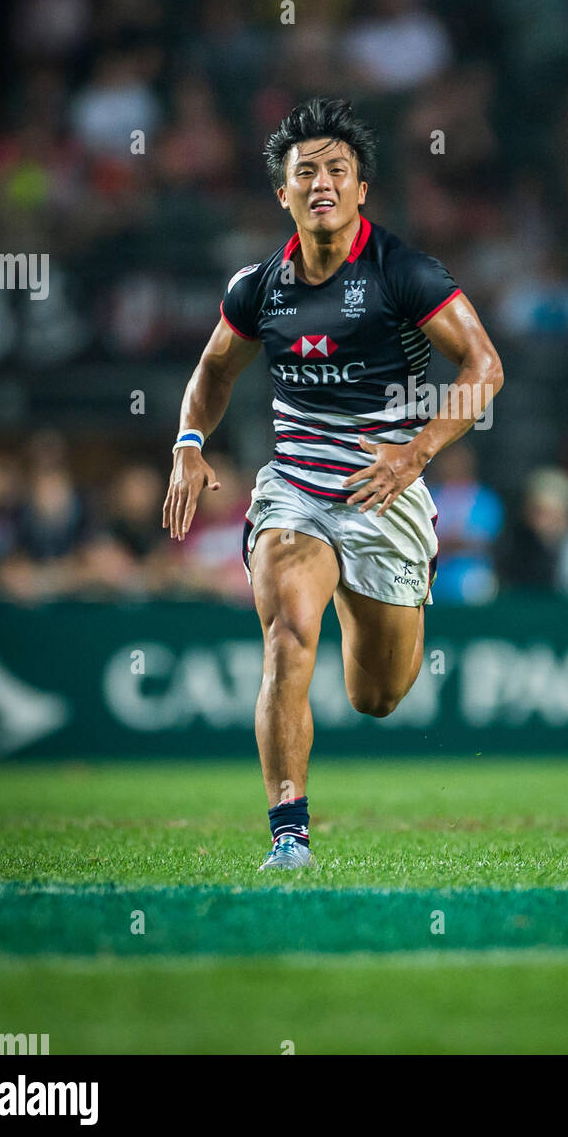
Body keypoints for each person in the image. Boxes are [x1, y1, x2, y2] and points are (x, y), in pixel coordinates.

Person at [162, 97, 503, 870]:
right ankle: (289, 835)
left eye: (337, 170)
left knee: (376, 697)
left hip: (387, 495)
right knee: (287, 634)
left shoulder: (405, 273)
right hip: (295, 492)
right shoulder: (260, 286)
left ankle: (367, 590)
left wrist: (415, 454)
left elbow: (485, 368)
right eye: (304, 171)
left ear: (361, 190)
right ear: (282, 193)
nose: (322, 182)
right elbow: (214, 367)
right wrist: (188, 442)